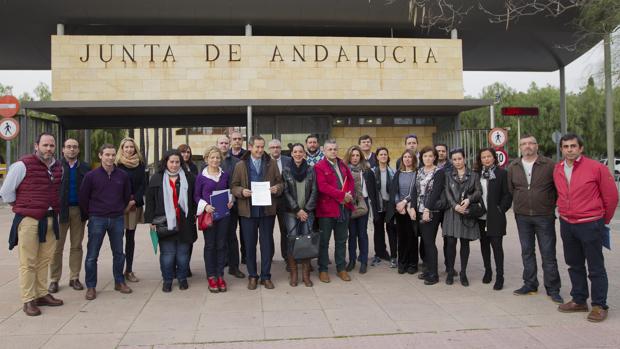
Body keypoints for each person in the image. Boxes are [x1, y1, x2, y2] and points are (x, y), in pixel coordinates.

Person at [554, 133, 618, 322]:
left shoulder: (596, 167)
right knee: (574, 264)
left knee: (595, 266)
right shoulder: (557, 169)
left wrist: (602, 220)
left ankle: (599, 305)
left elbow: (611, 197)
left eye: (573, 146)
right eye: (566, 146)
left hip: (590, 223)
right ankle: (579, 299)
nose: (569, 149)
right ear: (561, 149)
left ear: (580, 148)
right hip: (567, 223)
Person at [0, 132, 64, 316]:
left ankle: (42, 293)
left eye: (52, 145)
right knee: (28, 261)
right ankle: (28, 299)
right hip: (29, 219)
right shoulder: (22, 165)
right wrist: (22, 205)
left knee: (45, 259)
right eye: (45, 145)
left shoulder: (58, 167)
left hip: (51, 218)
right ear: (36, 146)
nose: (49, 149)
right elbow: (6, 191)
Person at [507, 135, 563, 303]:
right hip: (522, 216)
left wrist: (550, 205)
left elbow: (558, 189)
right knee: (527, 251)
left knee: (548, 253)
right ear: (520, 147)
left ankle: (553, 288)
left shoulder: (549, 165)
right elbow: (511, 190)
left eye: (531, 143)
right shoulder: (513, 166)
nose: (528, 146)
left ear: (537, 146)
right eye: (524, 144)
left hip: (544, 215)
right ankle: (530, 283)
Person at [80, 144, 132, 300]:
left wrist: (119, 209)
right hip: (97, 219)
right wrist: (92, 213)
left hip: (117, 218)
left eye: (113, 155)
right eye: (107, 155)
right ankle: (91, 286)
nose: (110, 158)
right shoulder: (91, 176)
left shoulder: (122, 176)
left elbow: (126, 195)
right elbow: (83, 197)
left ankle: (119, 281)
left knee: (119, 253)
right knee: (92, 255)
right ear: (100, 156)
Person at [231, 135, 283, 290]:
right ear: (250, 147)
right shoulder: (241, 165)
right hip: (248, 212)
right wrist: (241, 191)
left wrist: (277, 188)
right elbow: (233, 186)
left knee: (266, 244)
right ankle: (253, 275)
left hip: (267, 211)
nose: (260, 150)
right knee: (250, 245)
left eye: (262, 147)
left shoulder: (271, 164)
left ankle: (266, 276)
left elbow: (281, 183)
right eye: (257, 147)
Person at [145, 150, 197, 292]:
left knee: (183, 254)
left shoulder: (189, 177)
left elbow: (195, 198)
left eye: (177, 162)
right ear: (166, 162)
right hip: (164, 222)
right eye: (171, 162)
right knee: (168, 254)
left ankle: (182, 278)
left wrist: (196, 213)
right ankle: (167, 280)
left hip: (185, 222)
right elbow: (149, 201)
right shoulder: (156, 178)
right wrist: (150, 221)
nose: (174, 165)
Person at [48, 138, 90, 294]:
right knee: (56, 248)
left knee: (76, 246)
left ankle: (74, 277)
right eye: (69, 147)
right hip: (60, 211)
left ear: (78, 150)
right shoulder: (55, 166)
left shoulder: (85, 167)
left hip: (79, 211)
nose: (71, 149)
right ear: (63, 149)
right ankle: (54, 279)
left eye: (75, 147)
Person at [315, 139, 355, 283]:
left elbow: (350, 181)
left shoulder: (343, 164)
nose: (333, 151)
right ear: (324, 151)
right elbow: (322, 187)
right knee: (324, 241)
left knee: (341, 240)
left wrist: (349, 195)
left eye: (335, 149)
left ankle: (341, 268)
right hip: (326, 210)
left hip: (343, 209)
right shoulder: (319, 166)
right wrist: (341, 195)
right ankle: (323, 269)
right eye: (330, 149)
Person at [195, 146, 234, 293]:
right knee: (210, 245)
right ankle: (211, 276)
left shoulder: (225, 175)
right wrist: (205, 206)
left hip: (223, 215)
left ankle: (220, 275)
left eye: (217, 157)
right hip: (209, 216)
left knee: (221, 245)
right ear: (206, 159)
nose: (215, 160)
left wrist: (231, 201)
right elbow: (196, 196)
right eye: (212, 157)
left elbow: (228, 191)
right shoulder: (201, 177)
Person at [442, 148, 482, 287]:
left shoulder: (474, 175)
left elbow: (479, 191)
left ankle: (464, 273)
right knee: (451, 244)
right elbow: (447, 192)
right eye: (454, 159)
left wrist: (469, 200)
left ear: (464, 159)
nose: (457, 162)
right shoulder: (448, 175)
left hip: (466, 213)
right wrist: (455, 206)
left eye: (460, 158)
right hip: (452, 213)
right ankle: (450, 271)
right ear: (451, 161)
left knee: (465, 244)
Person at [475, 147, 512, 291]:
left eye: (488, 156)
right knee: (484, 245)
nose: (486, 159)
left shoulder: (502, 173)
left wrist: (500, 209)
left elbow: (507, 195)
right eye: (483, 157)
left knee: (496, 247)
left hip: (495, 216)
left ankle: (500, 276)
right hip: (481, 216)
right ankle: (488, 271)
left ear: (494, 158)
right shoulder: (477, 174)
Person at [282, 143, 318, 287]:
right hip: (291, 213)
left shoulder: (310, 170)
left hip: (308, 212)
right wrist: (297, 210)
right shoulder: (286, 170)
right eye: (295, 152)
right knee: (292, 242)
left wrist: (306, 210)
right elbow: (285, 192)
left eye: (300, 152)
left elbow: (315, 191)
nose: (298, 154)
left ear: (304, 154)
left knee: (306, 242)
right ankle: (294, 274)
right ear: (291, 154)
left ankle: (306, 275)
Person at [115, 137, 146, 283]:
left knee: (130, 239)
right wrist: (123, 203)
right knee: (117, 239)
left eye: (131, 147)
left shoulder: (140, 165)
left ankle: (129, 270)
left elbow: (143, 185)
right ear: (122, 149)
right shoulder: (116, 165)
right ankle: (118, 271)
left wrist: (134, 200)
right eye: (126, 147)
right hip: (118, 206)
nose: (129, 149)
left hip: (134, 206)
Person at [415, 146, 446, 285]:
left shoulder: (439, 172)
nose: (428, 158)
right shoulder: (420, 171)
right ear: (422, 158)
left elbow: (436, 192)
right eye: (425, 156)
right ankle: (428, 269)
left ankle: (434, 274)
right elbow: (415, 190)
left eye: (430, 156)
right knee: (425, 242)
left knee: (429, 242)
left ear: (435, 157)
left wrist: (427, 208)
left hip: (432, 211)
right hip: (420, 210)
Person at [343, 145, 376, 274]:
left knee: (362, 234)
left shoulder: (366, 170)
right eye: (352, 155)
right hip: (349, 203)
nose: (355, 158)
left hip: (363, 203)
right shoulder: (344, 169)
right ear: (349, 156)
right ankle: (351, 260)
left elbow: (372, 189)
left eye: (357, 155)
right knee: (352, 234)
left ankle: (363, 261)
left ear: (360, 157)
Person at [217, 135, 245, 278]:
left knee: (231, 237)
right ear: (217, 144)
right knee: (216, 238)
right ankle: (218, 266)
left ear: (229, 145)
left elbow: (238, 183)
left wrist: (232, 199)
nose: (223, 145)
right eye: (221, 143)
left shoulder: (236, 162)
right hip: (214, 207)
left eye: (226, 143)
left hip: (230, 205)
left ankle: (234, 267)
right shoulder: (207, 162)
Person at [387, 149, 418, 275]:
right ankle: (402, 263)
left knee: (412, 237)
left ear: (413, 159)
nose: (407, 159)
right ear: (402, 159)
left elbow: (415, 191)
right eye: (405, 157)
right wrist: (399, 205)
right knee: (402, 237)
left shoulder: (417, 173)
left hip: (412, 208)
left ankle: (412, 264)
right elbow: (394, 190)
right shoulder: (398, 173)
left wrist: (405, 202)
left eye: (410, 157)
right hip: (400, 210)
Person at [370, 147, 397, 268]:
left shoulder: (393, 172)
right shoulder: (372, 171)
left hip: (390, 205)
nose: (383, 156)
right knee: (378, 231)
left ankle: (394, 256)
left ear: (388, 156)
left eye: (385, 154)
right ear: (377, 157)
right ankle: (379, 254)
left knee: (392, 230)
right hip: (378, 206)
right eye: (381, 154)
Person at [268, 138, 293, 264]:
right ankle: (269, 256)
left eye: (277, 147)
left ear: (280, 148)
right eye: (272, 147)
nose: (275, 149)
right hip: (269, 200)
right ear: (269, 149)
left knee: (285, 230)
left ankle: (286, 256)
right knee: (268, 230)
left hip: (285, 200)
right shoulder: (264, 161)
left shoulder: (288, 160)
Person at [176, 144, 197, 277]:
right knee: (175, 241)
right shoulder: (172, 168)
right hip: (176, 210)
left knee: (189, 240)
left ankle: (185, 266)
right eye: (183, 152)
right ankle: (175, 267)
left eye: (188, 152)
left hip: (190, 209)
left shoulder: (193, 168)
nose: (186, 155)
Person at [435, 143, 452, 273]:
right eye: (438, 151)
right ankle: (428, 262)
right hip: (433, 206)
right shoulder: (428, 165)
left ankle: (449, 265)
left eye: (443, 151)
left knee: (448, 238)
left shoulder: (452, 167)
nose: (441, 153)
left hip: (448, 207)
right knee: (428, 237)